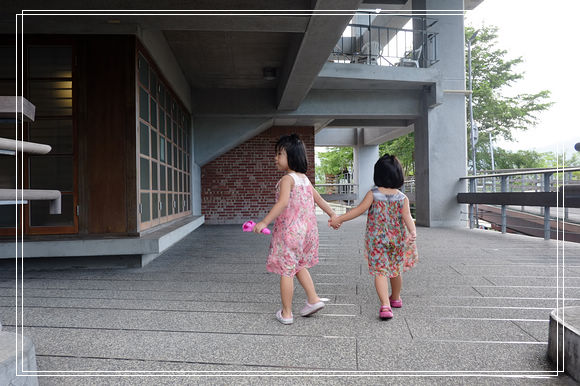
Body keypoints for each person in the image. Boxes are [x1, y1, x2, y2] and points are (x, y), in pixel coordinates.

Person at [254, 134, 338, 325]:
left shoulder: (287, 180)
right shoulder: (305, 180)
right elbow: (320, 200)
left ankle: (286, 313)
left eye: (279, 154)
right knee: (299, 265)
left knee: (287, 270)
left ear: (292, 156)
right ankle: (313, 299)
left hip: (290, 233)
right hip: (307, 233)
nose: (276, 158)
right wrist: (333, 215)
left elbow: (282, 203)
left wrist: (264, 222)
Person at [329, 154, 418, 320]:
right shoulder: (402, 197)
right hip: (397, 240)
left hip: (377, 241)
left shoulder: (373, 194)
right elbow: (407, 217)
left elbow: (358, 210)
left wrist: (339, 219)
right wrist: (413, 232)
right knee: (395, 270)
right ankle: (396, 298)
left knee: (380, 272)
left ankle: (385, 305)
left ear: (378, 175)